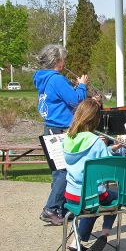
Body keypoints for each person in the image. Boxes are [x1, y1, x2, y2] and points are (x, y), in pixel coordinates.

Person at [64, 99, 126, 251]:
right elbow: (116, 170)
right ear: (95, 119)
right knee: (116, 197)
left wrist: (110, 148)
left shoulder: (68, 138)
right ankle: (104, 235)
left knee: (93, 205)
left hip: (72, 196)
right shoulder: (95, 142)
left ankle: (75, 244)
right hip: (90, 197)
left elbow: (88, 158)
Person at [34, 44, 88, 226]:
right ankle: (50, 208)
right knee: (63, 171)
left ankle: (61, 208)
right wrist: (81, 86)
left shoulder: (44, 78)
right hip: (60, 129)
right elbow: (75, 101)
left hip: (50, 127)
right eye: (63, 59)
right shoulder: (56, 79)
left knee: (60, 170)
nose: (65, 62)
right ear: (57, 61)